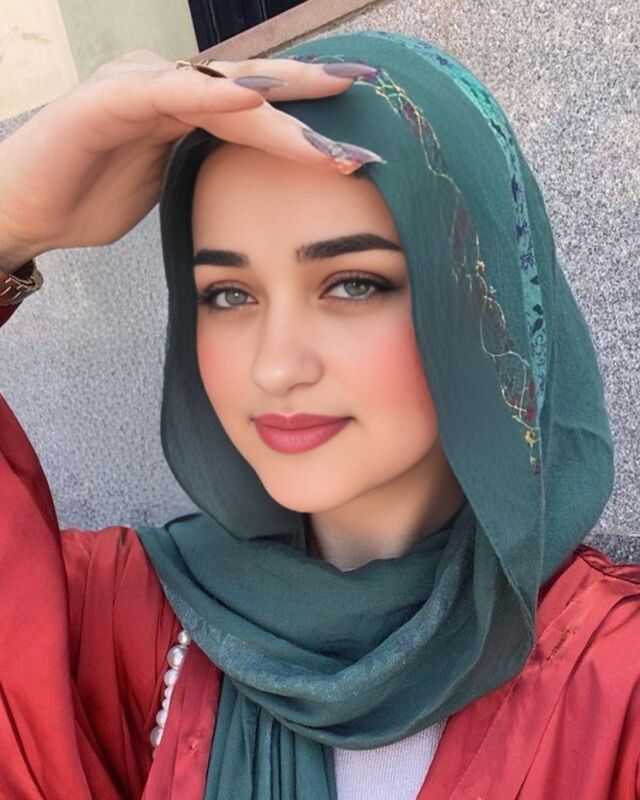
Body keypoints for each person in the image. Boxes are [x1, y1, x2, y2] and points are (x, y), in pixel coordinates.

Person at [0, 29, 638, 800]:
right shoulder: (119, 631)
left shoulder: (618, 684)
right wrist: (9, 220)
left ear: (483, 301)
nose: (275, 367)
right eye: (228, 295)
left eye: (353, 284)